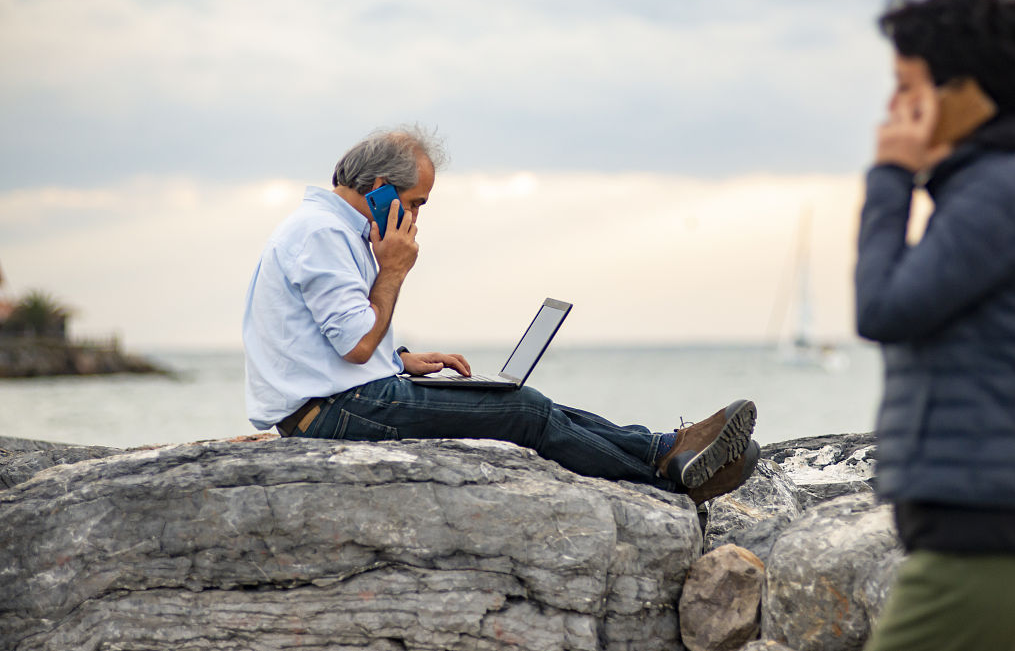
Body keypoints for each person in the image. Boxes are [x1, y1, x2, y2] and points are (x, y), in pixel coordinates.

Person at [243, 127, 759, 504]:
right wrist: (394, 269)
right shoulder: (323, 233)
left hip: (343, 398)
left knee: (524, 402)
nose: (417, 217)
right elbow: (355, 345)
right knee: (524, 413)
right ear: (379, 188)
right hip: (330, 414)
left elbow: (331, 337)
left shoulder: (330, 229)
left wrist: (398, 359)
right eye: (416, 203)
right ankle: (667, 485)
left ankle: (665, 448)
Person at [855, 0, 1015, 651]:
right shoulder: (1001, 187)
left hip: (995, 536)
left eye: (905, 88)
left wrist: (891, 176)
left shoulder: (1004, 190)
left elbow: (882, 307)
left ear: (965, 91)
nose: (892, 109)